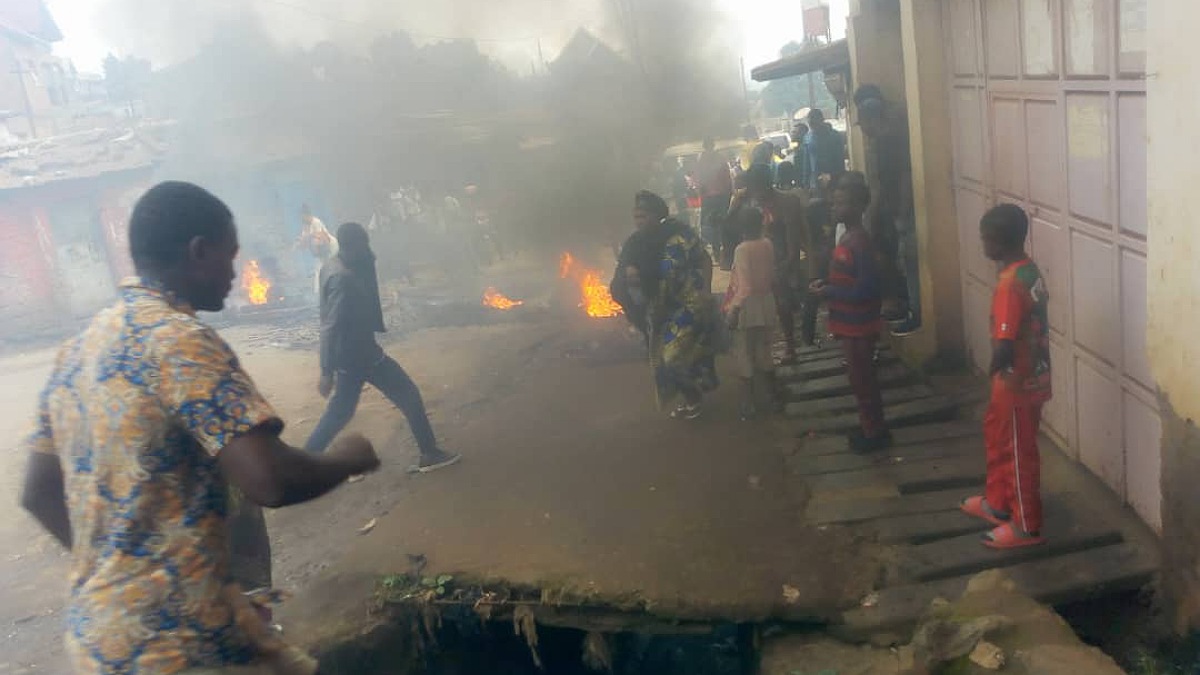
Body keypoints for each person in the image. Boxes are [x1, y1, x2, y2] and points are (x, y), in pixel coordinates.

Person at [19, 181, 382, 675]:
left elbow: (38, 492)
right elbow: (269, 480)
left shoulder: (79, 349)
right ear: (198, 252)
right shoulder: (181, 341)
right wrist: (348, 457)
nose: (236, 273)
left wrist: (122, 569)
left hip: (99, 638)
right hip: (178, 648)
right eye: (230, 257)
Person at [304, 222, 461, 474]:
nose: (368, 250)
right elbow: (330, 326)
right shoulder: (342, 278)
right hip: (362, 354)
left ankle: (303, 465)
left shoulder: (332, 265)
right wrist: (325, 370)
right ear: (354, 246)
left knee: (340, 412)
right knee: (408, 393)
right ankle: (429, 453)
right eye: (364, 244)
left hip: (350, 355)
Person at [960, 204, 1052, 550]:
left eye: (986, 238)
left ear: (1001, 241)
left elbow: (1004, 343)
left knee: (1017, 453)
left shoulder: (1010, 285)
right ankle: (998, 504)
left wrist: (993, 370)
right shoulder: (1028, 270)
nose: (982, 244)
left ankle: (1026, 526)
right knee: (998, 438)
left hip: (1016, 383)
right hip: (1028, 377)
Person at [810, 180, 890, 453]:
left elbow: (866, 288)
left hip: (860, 324)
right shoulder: (847, 237)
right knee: (859, 379)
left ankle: (874, 432)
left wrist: (829, 291)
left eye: (841, 203)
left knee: (863, 379)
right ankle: (871, 426)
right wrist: (827, 284)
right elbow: (849, 278)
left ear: (858, 207)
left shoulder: (859, 242)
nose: (835, 208)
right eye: (834, 202)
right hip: (849, 323)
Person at [633, 191, 719, 420]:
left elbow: (704, 258)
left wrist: (707, 290)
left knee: (672, 357)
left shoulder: (679, 236)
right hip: (663, 310)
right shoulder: (639, 244)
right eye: (636, 216)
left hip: (690, 304)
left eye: (643, 216)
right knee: (661, 360)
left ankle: (693, 398)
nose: (639, 221)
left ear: (656, 215)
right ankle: (689, 396)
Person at [854, 84, 921, 337]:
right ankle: (909, 308)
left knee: (910, 263)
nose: (864, 130)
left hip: (902, 212)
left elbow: (900, 177)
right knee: (905, 263)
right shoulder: (889, 138)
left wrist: (896, 211)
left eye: (863, 123)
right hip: (899, 211)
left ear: (872, 119)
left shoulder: (886, 142)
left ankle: (915, 313)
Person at [728, 164, 811, 363]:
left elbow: (794, 241)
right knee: (754, 308)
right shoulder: (747, 202)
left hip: (780, 261)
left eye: (757, 186)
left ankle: (790, 346)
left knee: (782, 304)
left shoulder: (787, 202)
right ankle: (762, 353)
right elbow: (730, 228)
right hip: (756, 260)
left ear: (767, 184)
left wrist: (787, 265)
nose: (755, 192)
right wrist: (735, 204)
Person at [723, 207, 778, 420]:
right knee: (764, 350)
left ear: (741, 227)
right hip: (766, 301)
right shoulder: (767, 244)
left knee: (744, 352)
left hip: (746, 306)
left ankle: (749, 403)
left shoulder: (742, 249)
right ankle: (773, 397)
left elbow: (745, 286)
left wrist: (734, 310)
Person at [697, 137, 734, 261]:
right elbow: (727, 177)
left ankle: (716, 251)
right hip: (721, 196)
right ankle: (726, 250)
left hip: (708, 198)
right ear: (713, 145)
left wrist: (702, 193)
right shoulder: (720, 158)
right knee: (723, 222)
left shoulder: (701, 161)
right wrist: (729, 192)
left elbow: (699, 181)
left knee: (711, 223)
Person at [296, 204, 338, 295]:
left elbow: (321, 239)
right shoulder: (306, 227)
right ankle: (320, 293)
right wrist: (300, 244)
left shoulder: (316, 222)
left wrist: (310, 237)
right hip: (321, 255)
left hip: (330, 249)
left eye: (302, 216)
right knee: (319, 274)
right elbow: (304, 242)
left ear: (307, 215)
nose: (301, 219)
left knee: (330, 270)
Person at [804, 108, 847, 190]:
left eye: (814, 123)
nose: (812, 126)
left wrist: (835, 177)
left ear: (821, 120)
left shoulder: (834, 136)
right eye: (810, 124)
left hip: (834, 180)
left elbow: (840, 160)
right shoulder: (808, 138)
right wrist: (805, 183)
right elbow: (807, 163)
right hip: (815, 182)